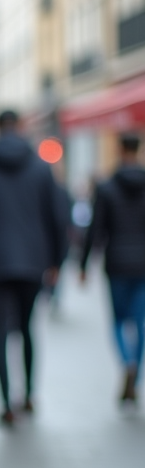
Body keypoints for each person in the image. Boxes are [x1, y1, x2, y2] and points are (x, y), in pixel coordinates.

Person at [0, 110, 68, 426]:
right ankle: (30, 395)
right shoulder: (41, 169)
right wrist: (56, 261)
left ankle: (6, 403)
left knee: (1, 334)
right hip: (34, 261)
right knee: (29, 329)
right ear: (20, 127)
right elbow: (57, 218)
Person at [79, 133, 145, 404]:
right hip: (142, 264)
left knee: (118, 320)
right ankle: (135, 372)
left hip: (116, 262)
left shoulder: (106, 187)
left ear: (119, 150)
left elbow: (95, 229)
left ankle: (127, 362)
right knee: (140, 321)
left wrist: (83, 264)